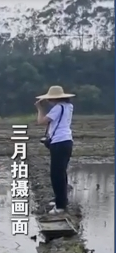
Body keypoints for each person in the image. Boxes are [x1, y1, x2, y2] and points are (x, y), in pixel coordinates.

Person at [35, 86, 74, 215]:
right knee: (61, 173)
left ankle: (60, 206)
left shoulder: (57, 108)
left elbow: (41, 121)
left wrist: (40, 109)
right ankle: (61, 200)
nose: (48, 101)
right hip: (67, 141)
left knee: (56, 175)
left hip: (59, 142)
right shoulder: (68, 106)